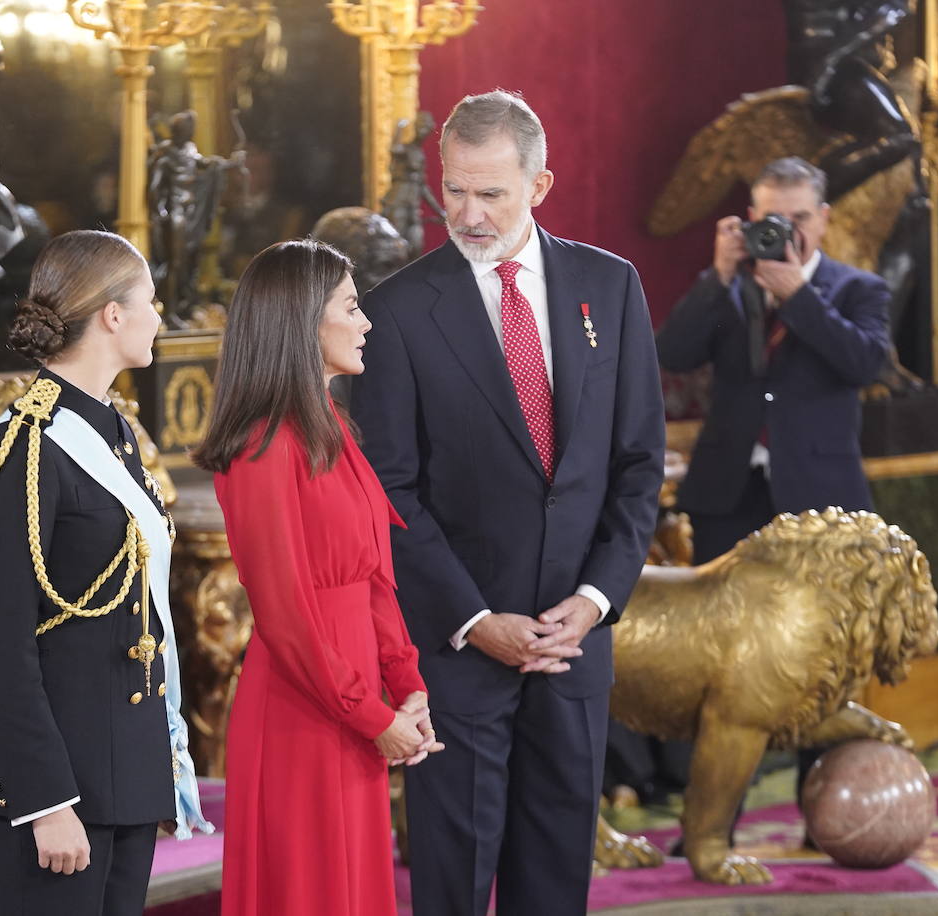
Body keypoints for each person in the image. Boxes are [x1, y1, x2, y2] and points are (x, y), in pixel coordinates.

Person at [350, 91, 666, 916]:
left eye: (490, 193)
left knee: (556, 880)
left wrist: (595, 602)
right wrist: (472, 619)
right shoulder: (396, 311)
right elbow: (390, 492)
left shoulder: (611, 286)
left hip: (573, 651)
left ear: (541, 184)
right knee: (451, 884)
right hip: (458, 657)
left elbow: (638, 467)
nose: (468, 212)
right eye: (453, 188)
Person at [0, 229, 213, 915]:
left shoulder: (113, 431)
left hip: (120, 772)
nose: (160, 316)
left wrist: (151, 774)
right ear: (112, 315)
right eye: (150, 301)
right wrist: (45, 801)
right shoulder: (23, 447)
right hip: (56, 787)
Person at [192, 239, 443, 916]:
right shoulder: (260, 448)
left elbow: (374, 579)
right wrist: (371, 713)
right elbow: (285, 614)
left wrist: (408, 685)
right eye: (352, 307)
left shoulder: (332, 425)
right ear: (302, 320)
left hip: (355, 707)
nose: (366, 323)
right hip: (303, 714)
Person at [656, 156, 890, 826]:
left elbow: (865, 363)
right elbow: (671, 351)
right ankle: (711, 825)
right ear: (750, 219)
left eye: (796, 219)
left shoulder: (857, 289)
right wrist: (720, 275)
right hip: (730, 493)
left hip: (820, 501)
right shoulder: (729, 288)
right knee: (718, 660)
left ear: (824, 219)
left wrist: (798, 296)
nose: (781, 232)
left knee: (825, 659)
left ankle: (831, 818)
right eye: (768, 220)